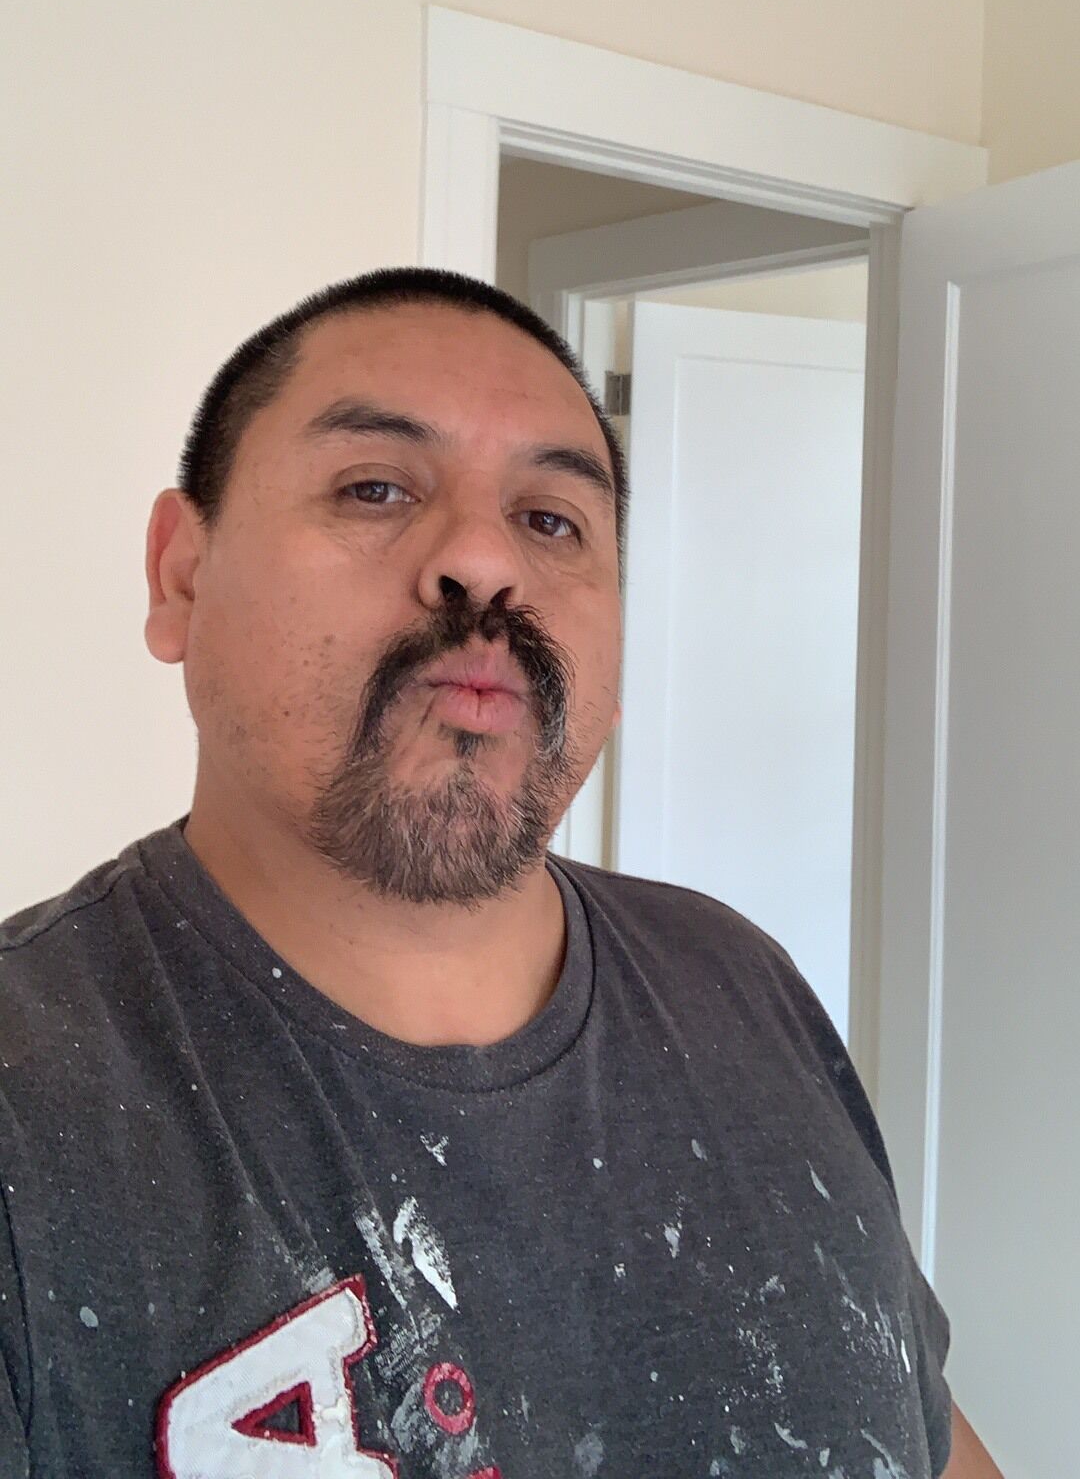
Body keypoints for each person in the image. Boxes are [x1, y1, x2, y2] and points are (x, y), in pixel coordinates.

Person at [0, 267, 1002, 1478]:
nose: (483, 560)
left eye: (551, 521)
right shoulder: (32, 1112)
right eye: (375, 487)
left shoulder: (745, 982)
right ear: (182, 575)